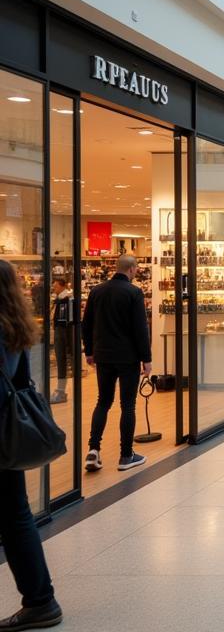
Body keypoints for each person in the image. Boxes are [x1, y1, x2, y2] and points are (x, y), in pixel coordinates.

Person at [0, 260, 63, 631]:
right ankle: (40, 599)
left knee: (16, 518)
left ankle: (41, 600)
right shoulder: (16, 327)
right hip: (10, 434)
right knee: (17, 517)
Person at [82, 255, 151, 473]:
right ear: (131, 269)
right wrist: (146, 358)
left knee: (103, 401)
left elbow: (87, 324)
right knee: (127, 405)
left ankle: (93, 449)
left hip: (103, 356)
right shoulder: (134, 292)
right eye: (136, 268)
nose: (137, 271)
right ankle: (126, 455)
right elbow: (140, 329)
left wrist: (89, 352)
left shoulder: (97, 291)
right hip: (127, 357)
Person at [50, 277, 73, 404]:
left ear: (62, 286)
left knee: (62, 362)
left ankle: (61, 390)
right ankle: (60, 390)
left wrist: (68, 343)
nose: (54, 288)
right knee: (61, 362)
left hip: (63, 334)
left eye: (56, 286)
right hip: (60, 333)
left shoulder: (66, 300)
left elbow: (68, 322)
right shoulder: (59, 300)